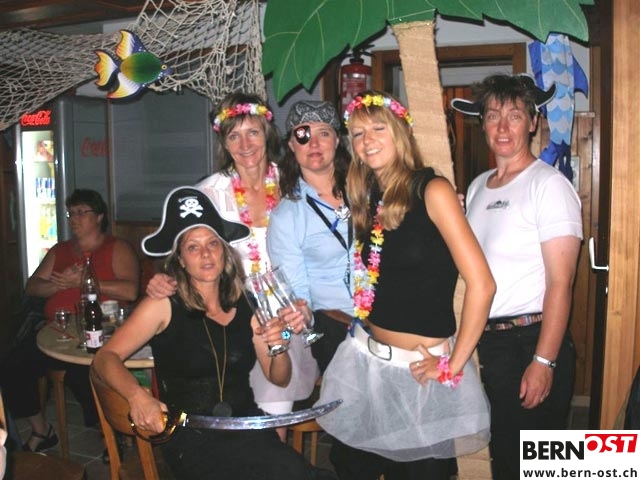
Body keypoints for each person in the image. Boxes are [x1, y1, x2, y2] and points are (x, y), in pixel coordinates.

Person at [91, 186, 337, 480]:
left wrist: (280, 347)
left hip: (246, 428)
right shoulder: (163, 304)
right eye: (193, 247)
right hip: (191, 438)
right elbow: (104, 358)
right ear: (180, 259)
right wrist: (137, 396)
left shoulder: (246, 303)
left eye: (212, 243)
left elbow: (279, 378)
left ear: (225, 251)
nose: (206, 254)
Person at [316, 90, 496, 480]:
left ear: (400, 132)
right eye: (358, 133)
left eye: (378, 129)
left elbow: (482, 284)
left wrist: (453, 363)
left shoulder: (433, 190)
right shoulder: (367, 197)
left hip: (418, 374)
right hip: (365, 364)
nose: (367, 140)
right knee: (351, 468)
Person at [146, 92, 319, 440]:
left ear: (266, 133)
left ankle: (272, 457)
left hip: (285, 318)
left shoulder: (294, 185)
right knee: (233, 407)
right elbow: (180, 252)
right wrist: (161, 280)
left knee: (275, 402)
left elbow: (317, 252)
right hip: (228, 319)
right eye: (234, 135)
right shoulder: (207, 195)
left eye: (252, 132)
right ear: (223, 143)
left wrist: (305, 306)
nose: (245, 144)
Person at [451, 73, 583, 480]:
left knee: (533, 467)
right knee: (500, 458)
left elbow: (560, 283)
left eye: (514, 115)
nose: (503, 127)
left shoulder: (549, 185)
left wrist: (544, 361)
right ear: (483, 125)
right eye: (493, 116)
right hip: (485, 344)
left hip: (530, 341)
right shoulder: (477, 187)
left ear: (533, 122)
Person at [0, 189, 139, 450]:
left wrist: (85, 281)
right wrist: (59, 284)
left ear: (99, 216)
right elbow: (32, 287)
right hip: (58, 332)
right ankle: (42, 430)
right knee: (12, 366)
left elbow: (130, 291)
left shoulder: (116, 247)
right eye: (70, 213)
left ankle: (110, 436)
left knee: (84, 371)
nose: (73, 219)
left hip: (102, 329)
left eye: (81, 212)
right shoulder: (60, 250)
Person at [267, 100, 353, 373]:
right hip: (336, 326)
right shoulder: (287, 216)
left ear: (337, 140)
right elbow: (298, 293)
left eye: (323, 133)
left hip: (389, 317)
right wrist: (302, 314)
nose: (313, 143)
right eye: (303, 135)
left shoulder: (366, 190)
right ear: (292, 145)